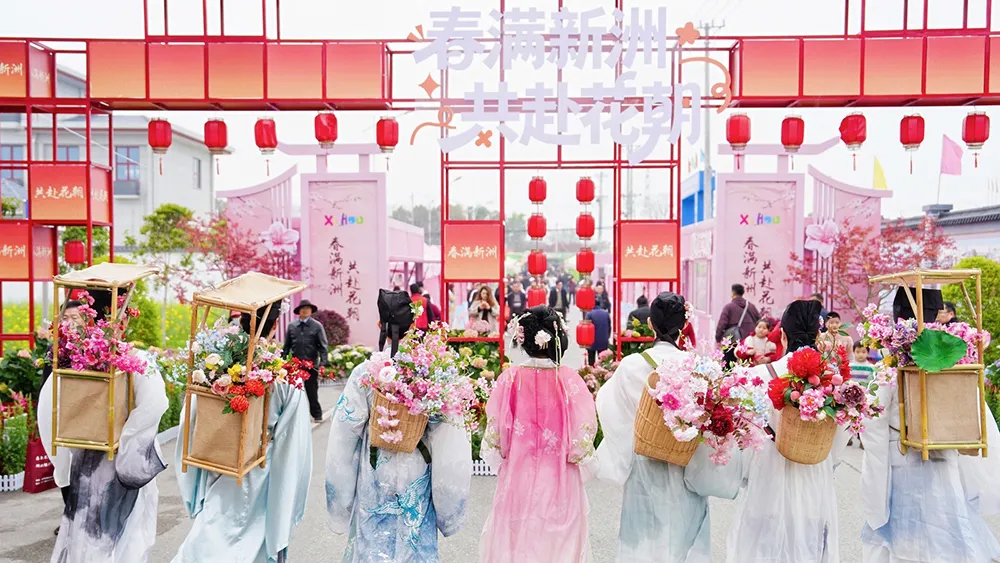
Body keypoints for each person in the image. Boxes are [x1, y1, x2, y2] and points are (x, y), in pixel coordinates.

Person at [595, 292, 744, 562]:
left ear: (650, 323)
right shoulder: (698, 368)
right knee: (684, 540)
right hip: (685, 465)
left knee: (642, 542)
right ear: (684, 325)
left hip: (644, 467)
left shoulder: (630, 366)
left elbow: (609, 409)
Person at [326, 289, 472, 562]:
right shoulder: (431, 372)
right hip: (416, 471)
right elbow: (449, 439)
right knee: (413, 540)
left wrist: (340, 502)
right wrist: (449, 508)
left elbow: (343, 436)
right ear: (414, 325)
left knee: (372, 543)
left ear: (380, 325)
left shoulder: (364, 373)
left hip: (374, 472)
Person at [174, 304, 313, 563]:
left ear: (240, 322)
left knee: (215, 521)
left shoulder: (214, 368)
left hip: (219, 458)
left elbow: (191, 418)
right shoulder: (283, 376)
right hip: (261, 464)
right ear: (274, 325)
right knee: (254, 533)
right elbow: (293, 436)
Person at [39, 288, 169, 562]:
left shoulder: (74, 361)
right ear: (123, 318)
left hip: (84, 458)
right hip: (122, 459)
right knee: (123, 533)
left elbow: (49, 409)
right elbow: (155, 404)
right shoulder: (135, 359)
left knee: (85, 531)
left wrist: (62, 458)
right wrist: (127, 441)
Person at [726, 299, 851, 563]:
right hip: (813, 472)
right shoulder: (831, 378)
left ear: (783, 334)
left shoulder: (758, 374)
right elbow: (841, 433)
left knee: (763, 546)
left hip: (768, 471)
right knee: (810, 544)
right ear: (818, 336)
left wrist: (745, 473)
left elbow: (743, 434)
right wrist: (824, 457)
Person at [480, 306, 597, 562]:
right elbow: (583, 433)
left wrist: (507, 453)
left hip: (518, 472)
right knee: (560, 538)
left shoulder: (510, 378)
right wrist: (577, 453)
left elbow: (496, 432)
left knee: (516, 536)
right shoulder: (568, 379)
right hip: (559, 473)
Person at [861, 364, 1000, 562]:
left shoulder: (890, 371)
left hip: (904, 461)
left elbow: (873, 421)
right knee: (945, 527)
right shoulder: (955, 367)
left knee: (906, 536)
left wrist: (875, 470)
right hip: (942, 459)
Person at [283, 299, 328, 423]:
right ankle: (295, 417)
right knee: (294, 392)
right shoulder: (292, 326)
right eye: (303, 308)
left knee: (312, 391)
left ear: (311, 311)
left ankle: (317, 414)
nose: (305, 310)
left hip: (311, 364)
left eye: (308, 308)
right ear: (299, 311)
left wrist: (323, 364)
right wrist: (283, 362)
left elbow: (323, 346)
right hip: (295, 364)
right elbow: (286, 346)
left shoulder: (317, 326)